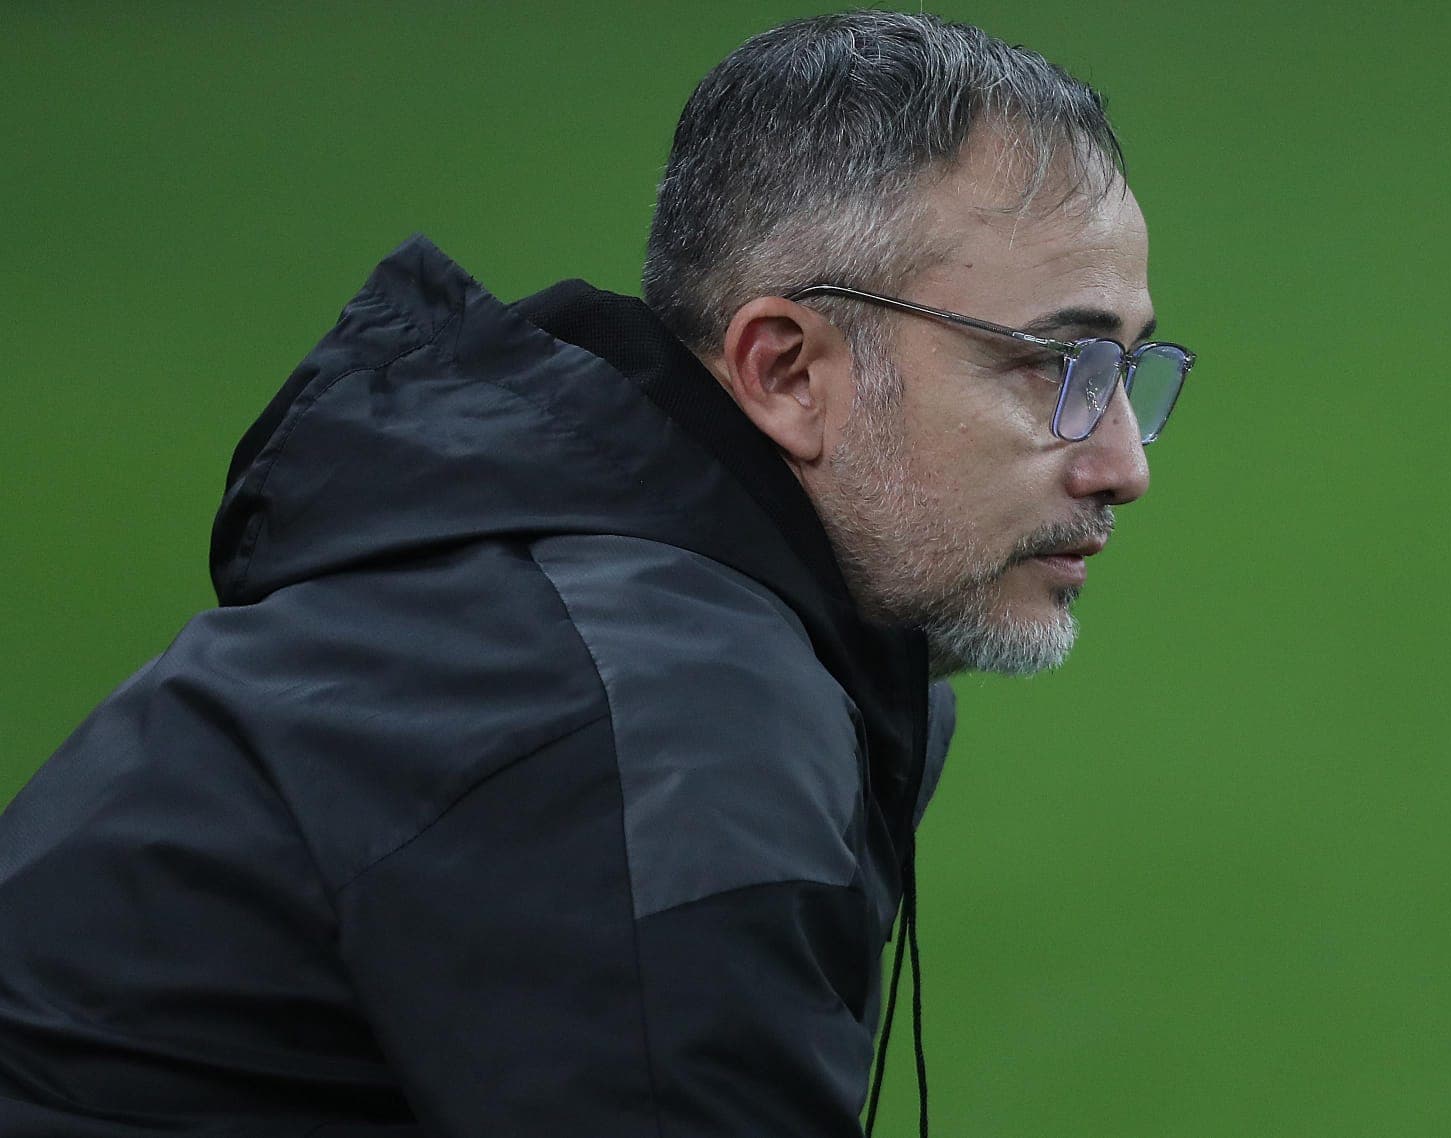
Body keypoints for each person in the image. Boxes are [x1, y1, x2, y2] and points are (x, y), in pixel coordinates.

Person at [0, 10, 1193, 1137]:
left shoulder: (588, 621)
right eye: (1057, 367)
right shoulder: (665, 717)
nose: (1122, 465)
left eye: (1129, 373)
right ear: (784, 371)